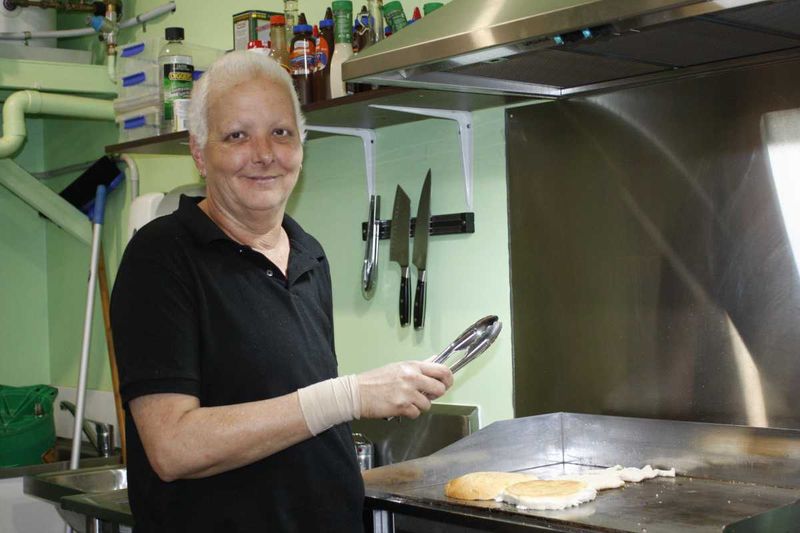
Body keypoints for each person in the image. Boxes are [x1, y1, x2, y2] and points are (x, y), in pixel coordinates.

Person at [110, 50, 453, 533]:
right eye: (237, 135)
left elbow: (298, 423)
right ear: (199, 151)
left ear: (301, 145)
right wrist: (348, 396)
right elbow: (173, 447)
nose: (264, 154)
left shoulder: (309, 255)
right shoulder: (163, 256)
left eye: (281, 132)